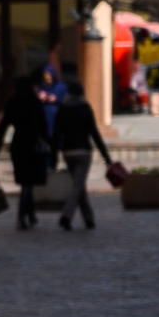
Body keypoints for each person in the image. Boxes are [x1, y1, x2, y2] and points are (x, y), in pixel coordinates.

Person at [52, 80, 111, 230]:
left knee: (79, 185)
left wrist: (54, 154)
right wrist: (106, 157)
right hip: (84, 151)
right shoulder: (85, 107)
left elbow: (57, 133)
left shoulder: (63, 109)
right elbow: (94, 134)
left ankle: (89, 219)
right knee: (78, 185)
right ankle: (66, 216)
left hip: (68, 151)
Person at [0, 74, 49, 230]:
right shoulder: (34, 102)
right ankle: (21, 216)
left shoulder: (12, 103)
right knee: (28, 183)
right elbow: (43, 125)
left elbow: (2, 128)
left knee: (26, 181)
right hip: (32, 144)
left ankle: (30, 216)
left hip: (18, 145)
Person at [36, 64, 67, 137]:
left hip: (57, 116)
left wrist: (56, 99)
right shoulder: (41, 87)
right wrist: (39, 97)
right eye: (46, 75)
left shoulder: (61, 86)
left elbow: (67, 101)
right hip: (44, 117)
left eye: (50, 75)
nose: (48, 77)